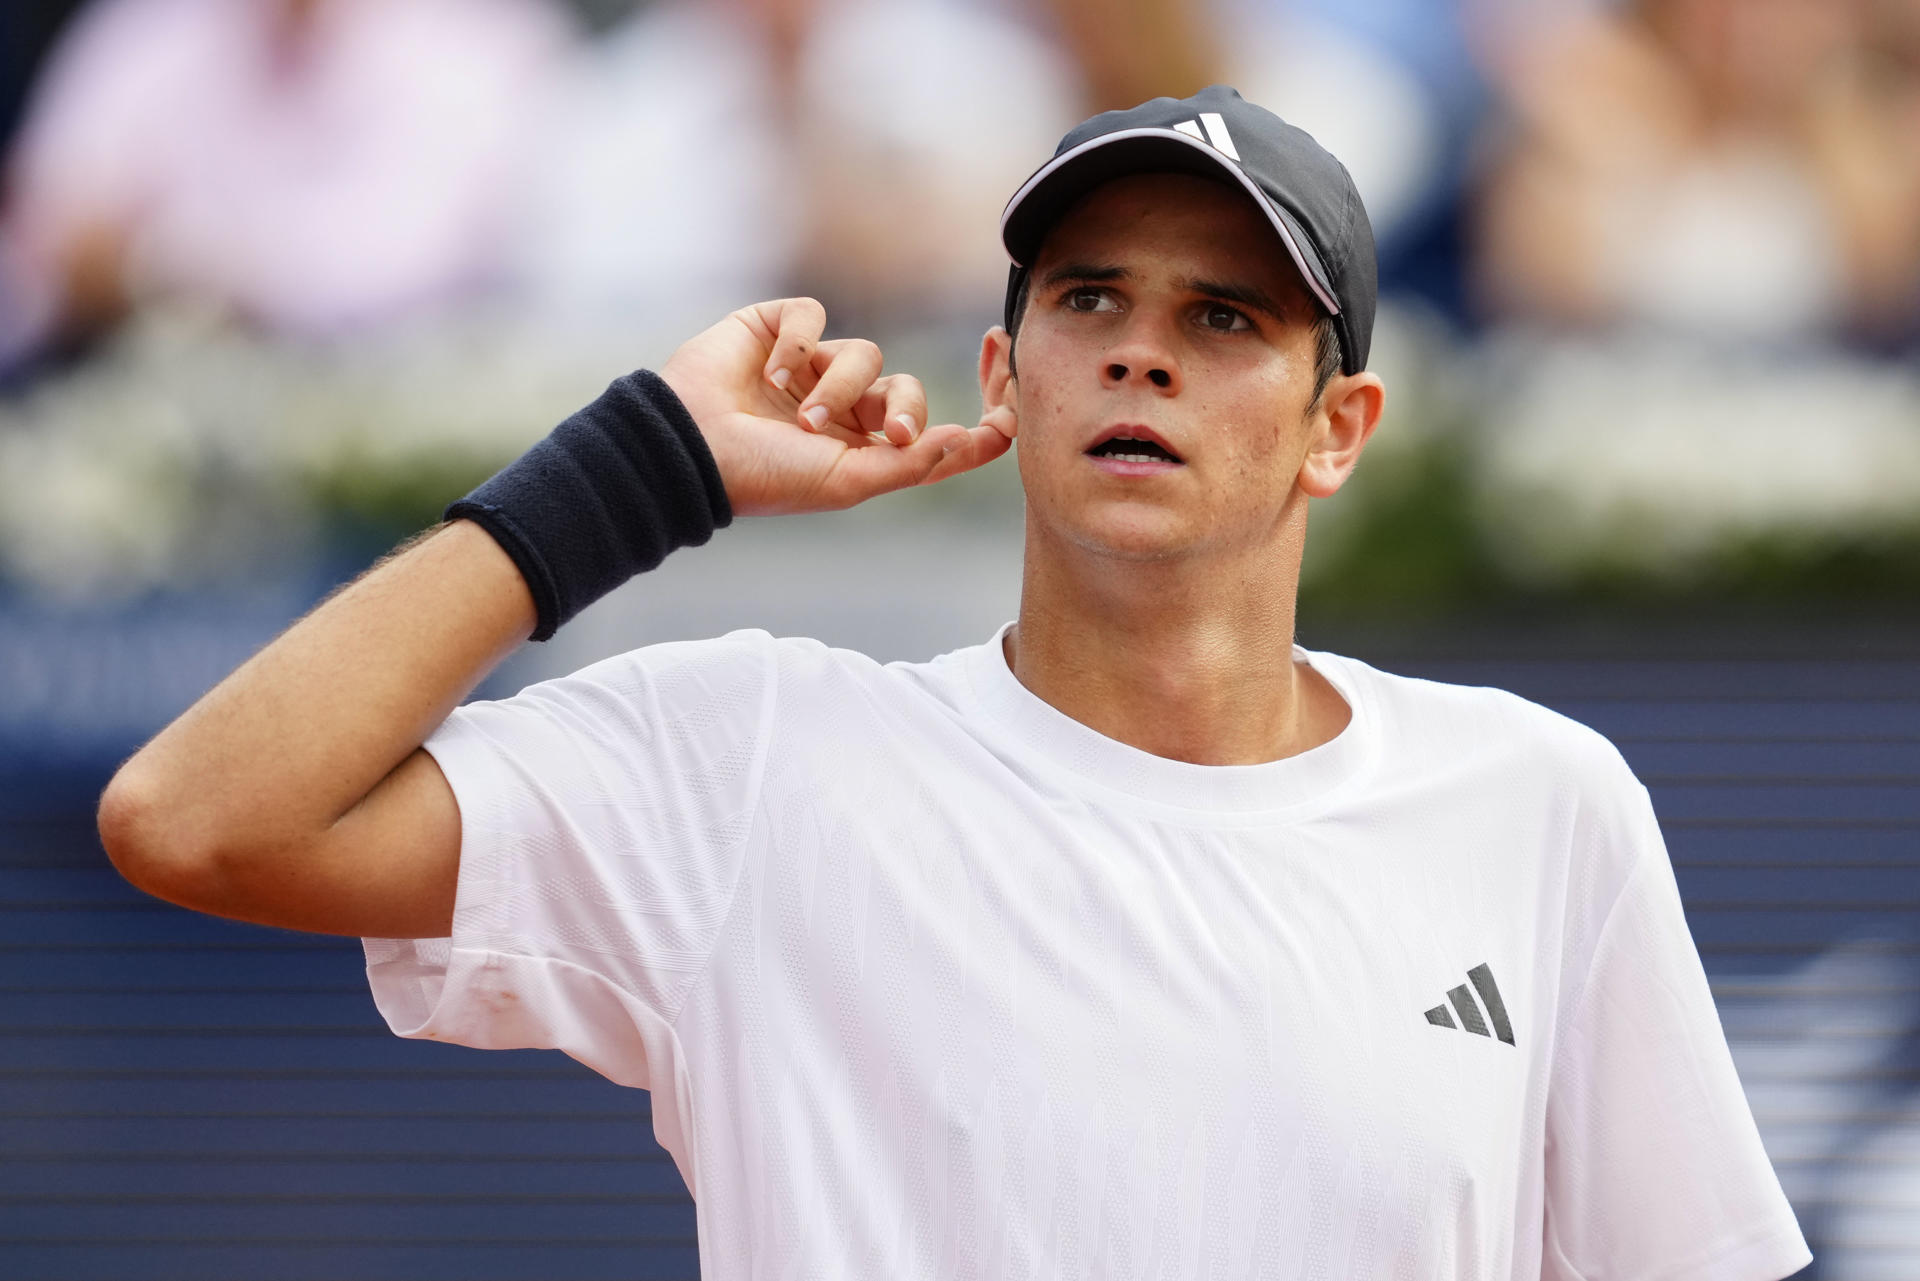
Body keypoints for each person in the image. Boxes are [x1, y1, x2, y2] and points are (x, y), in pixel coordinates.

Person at [98, 86, 1811, 1279]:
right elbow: (199, 818)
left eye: (1227, 318)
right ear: (1008, 372)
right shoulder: (750, 758)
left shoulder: (1538, 802)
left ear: (1337, 430)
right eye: (1090, 297)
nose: (1143, 346)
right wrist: (647, 462)